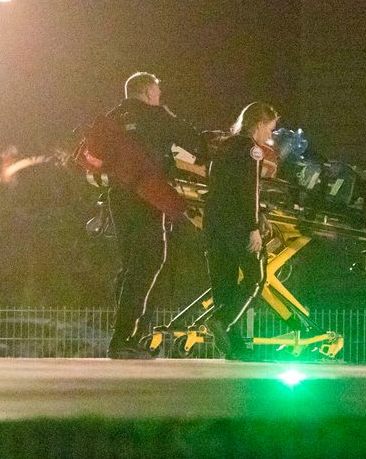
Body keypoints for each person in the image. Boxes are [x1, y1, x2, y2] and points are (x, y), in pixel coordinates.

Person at [105, 73, 203, 359]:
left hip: (118, 196)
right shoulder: (156, 116)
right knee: (149, 262)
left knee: (130, 266)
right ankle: (127, 337)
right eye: (158, 91)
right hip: (148, 195)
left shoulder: (112, 118)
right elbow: (193, 140)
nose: (159, 96)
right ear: (148, 91)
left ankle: (125, 335)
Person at [203, 102, 278, 361]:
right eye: (269, 129)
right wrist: (253, 227)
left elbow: (223, 186)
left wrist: (260, 213)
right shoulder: (252, 150)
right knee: (256, 278)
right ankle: (223, 320)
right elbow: (250, 190)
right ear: (259, 124)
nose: (269, 135)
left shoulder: (223, 146)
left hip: (214, 223)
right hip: (237, 224)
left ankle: (234, 346)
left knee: (223, 284)